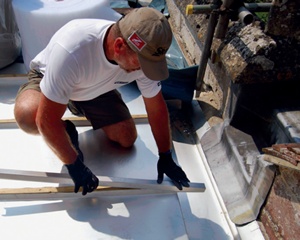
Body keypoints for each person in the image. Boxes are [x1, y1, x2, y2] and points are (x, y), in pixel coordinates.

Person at [14, 7, 190, 195]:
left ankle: (78, 108)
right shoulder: (73, 50)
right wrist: (73, 164)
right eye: (141, 64)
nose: (145, 70)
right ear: (119, 46)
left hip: (96, 88)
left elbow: (156, 108)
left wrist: (165, 155)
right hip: (51, 79)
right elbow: (45, 120)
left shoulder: (144, 54)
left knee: (126, 138)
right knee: (28, 116)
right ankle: (66, 131)